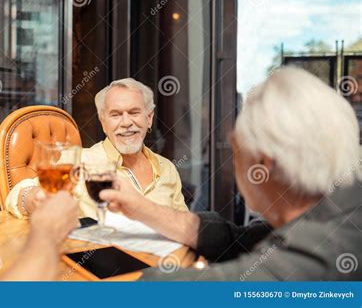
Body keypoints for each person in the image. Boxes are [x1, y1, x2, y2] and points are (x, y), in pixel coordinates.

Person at [99, 67, 362, 280]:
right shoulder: (337, 209)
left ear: (262, 164)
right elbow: (236, 240)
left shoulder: (323, 256)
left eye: (236, 150)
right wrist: (139, 206)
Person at [5, 78, 188, 220]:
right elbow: (20, 193)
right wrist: (32, 198)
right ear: (103, 123)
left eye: (134, 112)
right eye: (115, 115)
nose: (126, 123)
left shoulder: (167, 168)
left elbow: (184, 224)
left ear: (149, 118)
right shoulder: (79, 161)